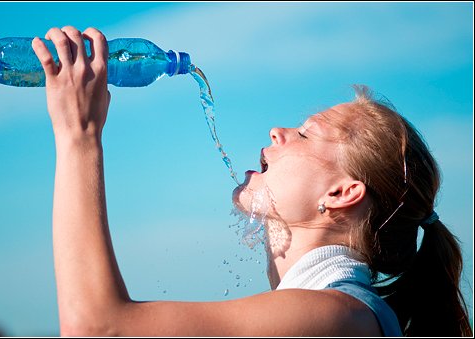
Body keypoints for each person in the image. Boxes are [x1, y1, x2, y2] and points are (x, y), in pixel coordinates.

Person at [31, 26, 472, 336]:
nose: (277, 132)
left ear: (341, 193)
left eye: (305, 133)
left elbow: (98, 328)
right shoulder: (337, 313)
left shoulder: (341, 317)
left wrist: (79, 136)